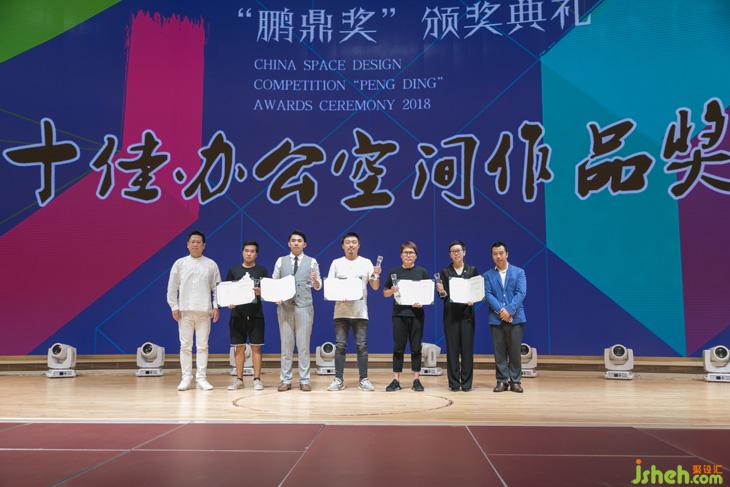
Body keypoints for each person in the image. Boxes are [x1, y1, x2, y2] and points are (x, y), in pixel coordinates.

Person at [325, 232, 381, 392]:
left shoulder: (366, 262)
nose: (351, 245)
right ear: (343, 246)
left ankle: (363, 380)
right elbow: (330, 287)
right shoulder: (336, 263)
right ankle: (338, 379)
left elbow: (375, 287)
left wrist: (376, 275)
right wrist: (338, 295)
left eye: (354, 242)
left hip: (360, 312)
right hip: (340, 312)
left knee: (361, 346)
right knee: (340, 346)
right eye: (348, 242)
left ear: (359, 245)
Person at [166, 230, 221, 391]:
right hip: (185, 311)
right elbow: (172, 287)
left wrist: (216, 306)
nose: (195, 244)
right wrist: (174, 306)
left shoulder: (211, 264)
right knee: (185, 346)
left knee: (203, 346)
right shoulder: (180, 264)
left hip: (204, 311)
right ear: (187, 245)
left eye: (198, 242)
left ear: (204, 245)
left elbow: (217, 288)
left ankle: (201, 378)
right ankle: (186, 378)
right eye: (193, 242)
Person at [272, 230, 321, 392]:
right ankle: (285, 380)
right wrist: (276, 296)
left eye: (299, 240)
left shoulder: (312, 262)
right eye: (293, 240)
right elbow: (274, 283)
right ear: (289, 243)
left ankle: (304, 380)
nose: (296, 243)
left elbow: (318, 286)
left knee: (303, 345)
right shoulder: (281, 261)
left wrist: (314, 281)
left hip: (304, 306)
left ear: (304, 244)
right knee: (286, 346)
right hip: (285, 307)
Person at [383, 241, 429, 392]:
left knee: (416, 348)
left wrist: (422, 302)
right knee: (398, 347)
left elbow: (427, 293)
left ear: (416, 256)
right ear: (401, 255)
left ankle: (416, 379)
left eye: (411, 253)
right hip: (399, 314)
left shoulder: (422, 272)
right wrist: (392, 290)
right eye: (405, 253)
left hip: (416, 315)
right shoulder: (394, 272)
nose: (408, 255)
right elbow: (385, 293)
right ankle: (396, 380)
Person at [224, 241, 268, 391]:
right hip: (237, 315)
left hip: (256, 314)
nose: (249, 253)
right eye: (246, 250)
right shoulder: (233, 270)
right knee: (239, 348)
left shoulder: (262, 271)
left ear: (256, 254)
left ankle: (257, 379)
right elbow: (226, 291)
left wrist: (261, 292)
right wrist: (229, 303)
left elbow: (268, 292)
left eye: (252, 251)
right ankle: (239, 379)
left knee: (256, 348)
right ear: (242, 252)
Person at [436, 240, 479, 392]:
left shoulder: (472, 270)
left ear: (464, 252)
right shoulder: (445, 272)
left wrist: (474, 299)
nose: (456, 253)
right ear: (450, 254)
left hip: (467, 315)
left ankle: (466, 384)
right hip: (451, 315)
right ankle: (454, 383)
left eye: (458, 251)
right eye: (453, 251)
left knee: (467, 350)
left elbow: (477, 291)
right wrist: (441, 290)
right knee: (452, 350)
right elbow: (443, 296)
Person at [484, 241, 527, 393]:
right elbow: (488, 294)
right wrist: (501, 311)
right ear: (492, 256)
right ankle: (502, 381)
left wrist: (509, 311)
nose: (498, 256)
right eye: (495, 254)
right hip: (496, 319)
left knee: (515, 351)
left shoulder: (519, 272)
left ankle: (515, 381)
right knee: (499, 352)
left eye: (501, 253)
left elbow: (521, 293)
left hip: (516, 318)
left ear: (507, 254)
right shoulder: (487, 275)